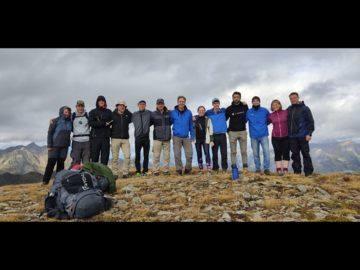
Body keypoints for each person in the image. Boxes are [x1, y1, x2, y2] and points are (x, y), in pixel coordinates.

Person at [287, 92, 315, 177]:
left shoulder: (305, 108)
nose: (292, 99)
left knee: (305, 154)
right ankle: (297, 172)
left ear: (298, 97)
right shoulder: (289, 109)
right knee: (295, 155)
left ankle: (308, 172)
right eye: (291, 98)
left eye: (294, 98)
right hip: (292, 136)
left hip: (303, 135)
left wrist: (309, 133)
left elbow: (311, 122)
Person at [42, 106, 72, 185]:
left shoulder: (70, 122)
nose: (67, 114)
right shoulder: (55, 121)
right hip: (54, 146)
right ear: (61, 112)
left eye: (68, 112)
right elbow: (50, 132)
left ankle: (59, 181)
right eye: (65, 112)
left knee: (61, 164)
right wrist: (49, 144)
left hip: (65, 146)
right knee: (51, 163)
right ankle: (45, 181)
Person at [246, 96, 270, 175]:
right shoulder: (249, 112)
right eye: (254, 101)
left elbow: (270, 119)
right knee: (256, 154)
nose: (256, 102)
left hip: (264, 135)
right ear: (252, 102)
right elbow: (243, 121)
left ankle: (266, 169)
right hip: (253, 136)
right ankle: (258, 169)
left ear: (259, 102)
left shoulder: (265, 110)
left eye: (257, 101)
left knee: (266, 152)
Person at [203, 98, 228, 174]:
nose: (216, 104)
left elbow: (232, 109)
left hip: (223, 135)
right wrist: (195, 116)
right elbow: (201, 114)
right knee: (214, 153)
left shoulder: (223, 110)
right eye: (214, 103)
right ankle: (215, 168)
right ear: (212, 104)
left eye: (217, 103)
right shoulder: (208, 112)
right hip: (214, 136)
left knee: (224, 153)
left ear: (219, 104)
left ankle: (224, 168)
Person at [226, 91, 249, 173]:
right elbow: (224, 120)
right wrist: (227, 130)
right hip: (232, 132)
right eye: (235, 97)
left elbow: (248, 116)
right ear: (232, 98)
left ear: (240, 98)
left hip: (243, 131)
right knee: (233, 151)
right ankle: (234, 168)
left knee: (244, 151)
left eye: (238, 97)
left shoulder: (245, 106)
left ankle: (245, 168)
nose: (236, 98)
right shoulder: (228, 109)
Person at [170, 96, 194, 176]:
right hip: (176, 136)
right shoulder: (173, 112)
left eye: (183, 101)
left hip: (186, 136)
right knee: (177, 154)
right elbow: (169, 122)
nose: (181, 103)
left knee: (189, 153)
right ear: (177, 102)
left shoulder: (189, 112)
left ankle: (188, 169)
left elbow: (191, 125)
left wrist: (192, 136)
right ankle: (179, 170)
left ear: (185, 102)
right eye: (180, 101)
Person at [111, 100, 133, 179]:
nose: (122, 107)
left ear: (125, 107)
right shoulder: (112, 114)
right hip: (115, 138)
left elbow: (136, 116)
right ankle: (115, 174)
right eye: (120, 105)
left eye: (123, 105)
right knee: (115, 157)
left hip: (125, 139)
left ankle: (125, 173)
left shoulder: (129, 114)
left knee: (127, 156)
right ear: (117, 106)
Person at [267, 99, 290, 176]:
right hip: (275, 137)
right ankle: (279, 171)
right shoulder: (271, 115)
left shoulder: (286, 112)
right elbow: (265, 123)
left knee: (286, 153)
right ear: (272, 107)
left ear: (280, 105)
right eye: (273, 105)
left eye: (277, 104)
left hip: (286, 136)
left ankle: (285, 170)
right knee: (277, 153)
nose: (275, 106)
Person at [150, 98, 172, 176]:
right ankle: (156, 171)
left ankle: (166, 170)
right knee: (156, 155)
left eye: (161, 104)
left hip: (167, 138)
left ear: (164, 104)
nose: (160, 105)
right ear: (156, 105)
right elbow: (148, 123)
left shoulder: (169, 113)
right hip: (157, 138)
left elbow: (172, 121)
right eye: (159, 104)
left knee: (166, 156)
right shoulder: (153, 114)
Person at [88, 95, 112, 165]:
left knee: (105, 157)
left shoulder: (109, 111)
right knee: (94, 157)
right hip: (95, 137)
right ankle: (95, 174)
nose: (101, 102)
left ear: (105, 102)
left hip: (106, 137)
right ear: (97, 102)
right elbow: (91, 123)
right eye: (100, 101)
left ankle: (103, 174)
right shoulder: (92, 112)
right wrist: (103, 123)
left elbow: (114, 120)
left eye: (103, 101)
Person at [132, 100, 152, 177]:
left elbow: (157, 113)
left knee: (146, 155)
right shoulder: (134, 115)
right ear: (138, 105)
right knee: (137, 155)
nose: (142, 105)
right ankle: (138, 171)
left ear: (145, 105)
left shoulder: (149, 113)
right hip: (138, 137)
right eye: (140, 104)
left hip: (146, 137)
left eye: (143, 104)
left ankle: (145, 171)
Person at [193, 106, 213, 175]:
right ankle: (201, 170)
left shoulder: (208, 119)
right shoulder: (195, 119)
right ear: (198, 111)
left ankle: (208, 170)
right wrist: (192, 137)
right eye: (200, 110)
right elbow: (192, 128)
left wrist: (211, 140)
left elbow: (210, 130)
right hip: (197, 139)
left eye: (203, 110)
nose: (201, 111)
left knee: (207, 154)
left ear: (204, 111)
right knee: (199, 154)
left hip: (205, 139)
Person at [70, 100, 91, 167]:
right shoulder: (72, 115)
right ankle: (76, 176)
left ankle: (86, 176)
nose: (80, 108)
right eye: (79, 106)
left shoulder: (88, 115)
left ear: (84, 107)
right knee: (76, 160)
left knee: (86, 161)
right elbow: (63, 119)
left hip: (86, 141)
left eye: (82, 106)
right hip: (76, 141)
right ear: (76, 107)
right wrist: (53, 120)